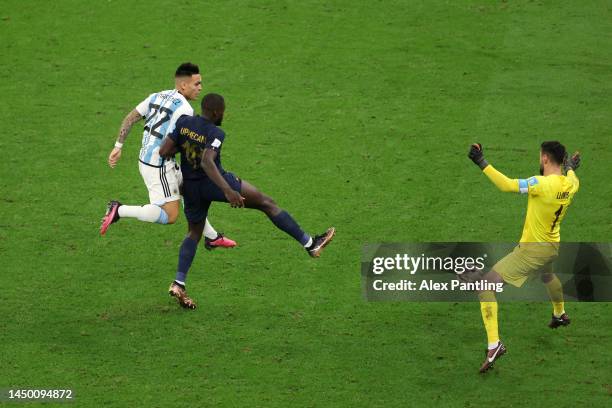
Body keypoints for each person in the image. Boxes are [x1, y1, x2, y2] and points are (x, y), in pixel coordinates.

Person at [159, 93, 335, 309]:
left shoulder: (183, 122)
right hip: (215, 183)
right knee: (266, 203)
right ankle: (310, 244)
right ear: (216, 112)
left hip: (191, 187)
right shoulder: (216, 132)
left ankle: (179, 283)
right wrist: (228, 191)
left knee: (194, 233)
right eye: (223, 111)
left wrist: (187, 147)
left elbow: (165, 150)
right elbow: (207, 161)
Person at [467, 141, 580, 373]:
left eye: (541, 156)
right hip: (552, 245)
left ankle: (494, 345)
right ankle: (559, 313)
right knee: (548, 277)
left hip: (532, 251)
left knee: (484, 286)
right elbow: (570, 174)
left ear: (546, 159)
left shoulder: (541, 184)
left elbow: (507, 185)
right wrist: (570, 168)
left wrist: (481, 162)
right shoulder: (571, 184)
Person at [99, 63, 235, 250]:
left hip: (147, 159)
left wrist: (118, 145)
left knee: (189, 189)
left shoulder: (157, 96)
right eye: (197, 84)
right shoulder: (185, 110)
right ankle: (119, 210)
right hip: (159, 165)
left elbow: (130, 118)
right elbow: (167, 148)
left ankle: (212, 237)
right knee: (170, 215)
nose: (200, 88)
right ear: (183, 86)